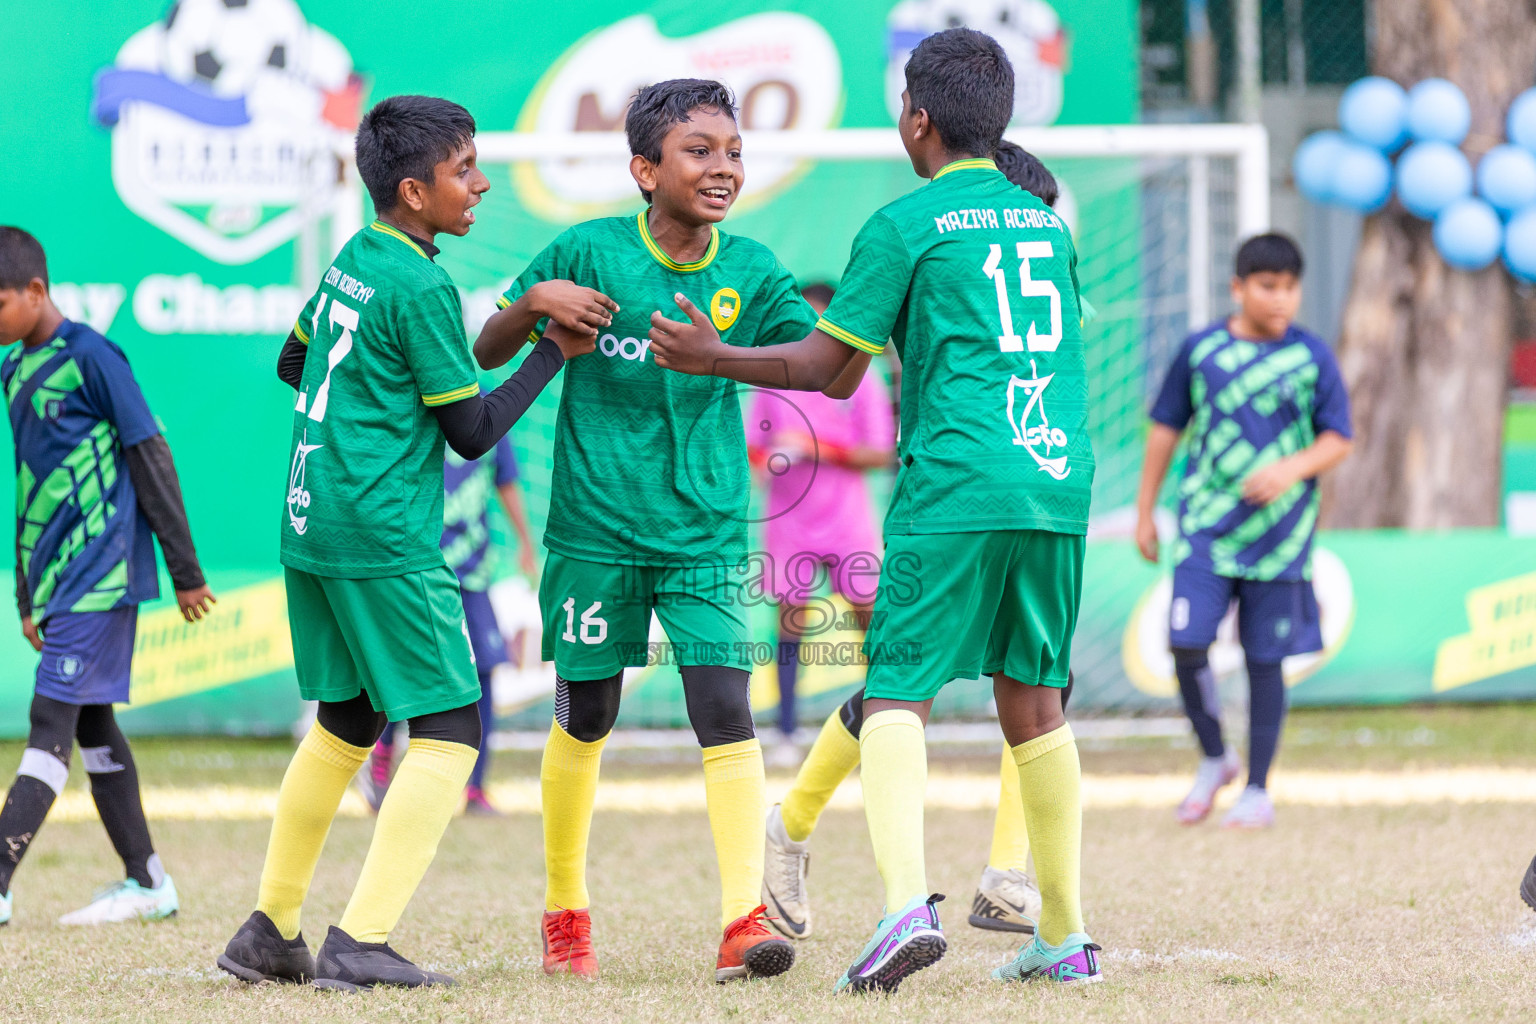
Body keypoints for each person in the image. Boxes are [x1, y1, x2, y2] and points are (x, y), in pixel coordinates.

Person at [649, 29, 1101, 990]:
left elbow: (826, 367)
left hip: (959, 480)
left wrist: (712, 357)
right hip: (1056, 479)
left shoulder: (907, 224)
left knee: (896, 689)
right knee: (1036, 699)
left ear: (917, 117)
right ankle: (1064, 937)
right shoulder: (1045, 225)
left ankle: (903, 909)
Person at [216, 94, 595, 991]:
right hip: (379, 533)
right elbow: (470, 433)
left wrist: (368, 417)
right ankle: (362, 939)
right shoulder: (424, 284)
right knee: (454, 725)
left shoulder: (357, 256)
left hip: (309, 519)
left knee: (348, 721)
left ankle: (271, 928)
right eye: (466, 170)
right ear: (416, 190)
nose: (482, 183)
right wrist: (549, 347)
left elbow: (292, 361)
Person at [474, 79, 816, 984]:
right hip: (594, 533)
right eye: (699, 150)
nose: (723, 168)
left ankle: (743, 920)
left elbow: (828, 368)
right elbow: (486, 352)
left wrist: (724, 358)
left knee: (724, 711)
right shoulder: (584, 252)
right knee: (588, 715)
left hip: (704, 535)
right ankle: (565, 915)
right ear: (644, 168)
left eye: (734, 151)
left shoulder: (752, 269)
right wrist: (532, 302)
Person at [759, 139, 1073, 944]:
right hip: (950, 493)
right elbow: (836, 367)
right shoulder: (925, 241)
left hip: (1033, 489)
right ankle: (793, 824)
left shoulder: (1037, 257)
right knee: (892, 688)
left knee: (1034, 692)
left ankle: (1009, 878)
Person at [0, 226, 215, 928]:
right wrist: (28, 591)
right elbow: (30, 486)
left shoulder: (94, 356)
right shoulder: (14, 369)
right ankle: (148, 880)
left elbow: (150, 453)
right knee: (92, 724)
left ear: (36, 291)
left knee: (48, 722)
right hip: (58, 583)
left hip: (102, 575)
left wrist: (185, 570)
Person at [1134, 232, 1352, 829]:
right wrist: (1145, 509)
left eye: (1289, 288)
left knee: (1264, 660)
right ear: (1238, 288)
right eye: (1267, 286)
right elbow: (1165, 428)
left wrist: (1290, 468)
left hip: (1281, 539)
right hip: (1205, 528)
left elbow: (1338, 436)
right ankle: (1214, 758)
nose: (1280, 299)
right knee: (1185, 641)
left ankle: (1257, 788)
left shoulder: (1311, 357)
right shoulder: (1202, 351)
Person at [745, 282, 894, 761]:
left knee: (869, 621)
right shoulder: (773, 380)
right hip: (790, 522)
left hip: (848, 520)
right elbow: (753, 448)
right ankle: (786, 733)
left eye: (820, 321)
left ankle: (884, 726)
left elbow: (881, 453)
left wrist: (816, 447)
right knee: (790, 624)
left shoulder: (860, 377)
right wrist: (765, 462)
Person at [363, 433, 538, 816]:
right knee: (405, 669)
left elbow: (505, 481)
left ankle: (474, 789)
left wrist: (525, 542)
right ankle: (382, 753)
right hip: (421, 569)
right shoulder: (423, 401)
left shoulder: (492, 409)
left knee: (486, 671)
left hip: (473, 575)